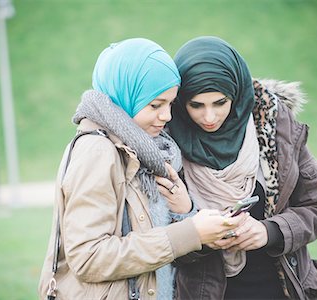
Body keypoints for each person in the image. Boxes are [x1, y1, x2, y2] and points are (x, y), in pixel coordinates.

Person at [38, 38, 243, 300]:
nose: (167, 116)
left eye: (170, 104)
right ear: (126, 95)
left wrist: (186, 213)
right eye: (155, 105)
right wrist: (190, 233)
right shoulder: (98, 152)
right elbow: (89, 257)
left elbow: (148, 232)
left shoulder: (146, 149)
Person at [167, 36, 317, 299]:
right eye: (196, 105)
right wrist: (199, 236)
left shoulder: (275, 126)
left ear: (236, 93)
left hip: (282, 289)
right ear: (179, 101)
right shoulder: (166, 145)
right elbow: (157, 242)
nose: (209, 117)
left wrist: (270, 231)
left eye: (220, 102)